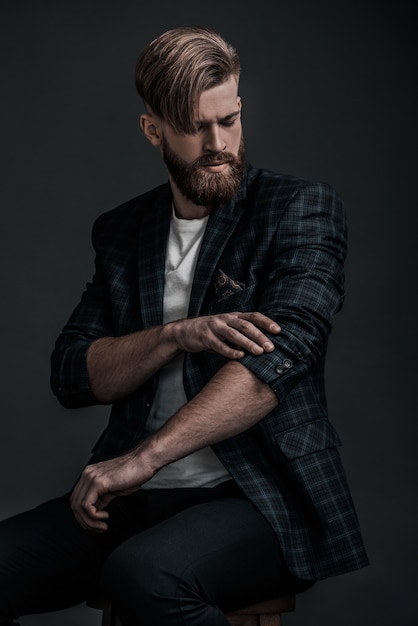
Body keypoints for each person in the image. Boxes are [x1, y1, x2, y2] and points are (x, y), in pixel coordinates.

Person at [0, 26, 368, 626]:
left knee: (144, 575)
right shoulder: (122, 232)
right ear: (154, 131)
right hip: (137, 498)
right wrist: (175, 334)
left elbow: (276, 361)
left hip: (260, 497)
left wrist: (143, 458)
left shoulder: (297, 208)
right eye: (198, 127)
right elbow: (73, 372)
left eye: (231, 119)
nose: (219, 142)